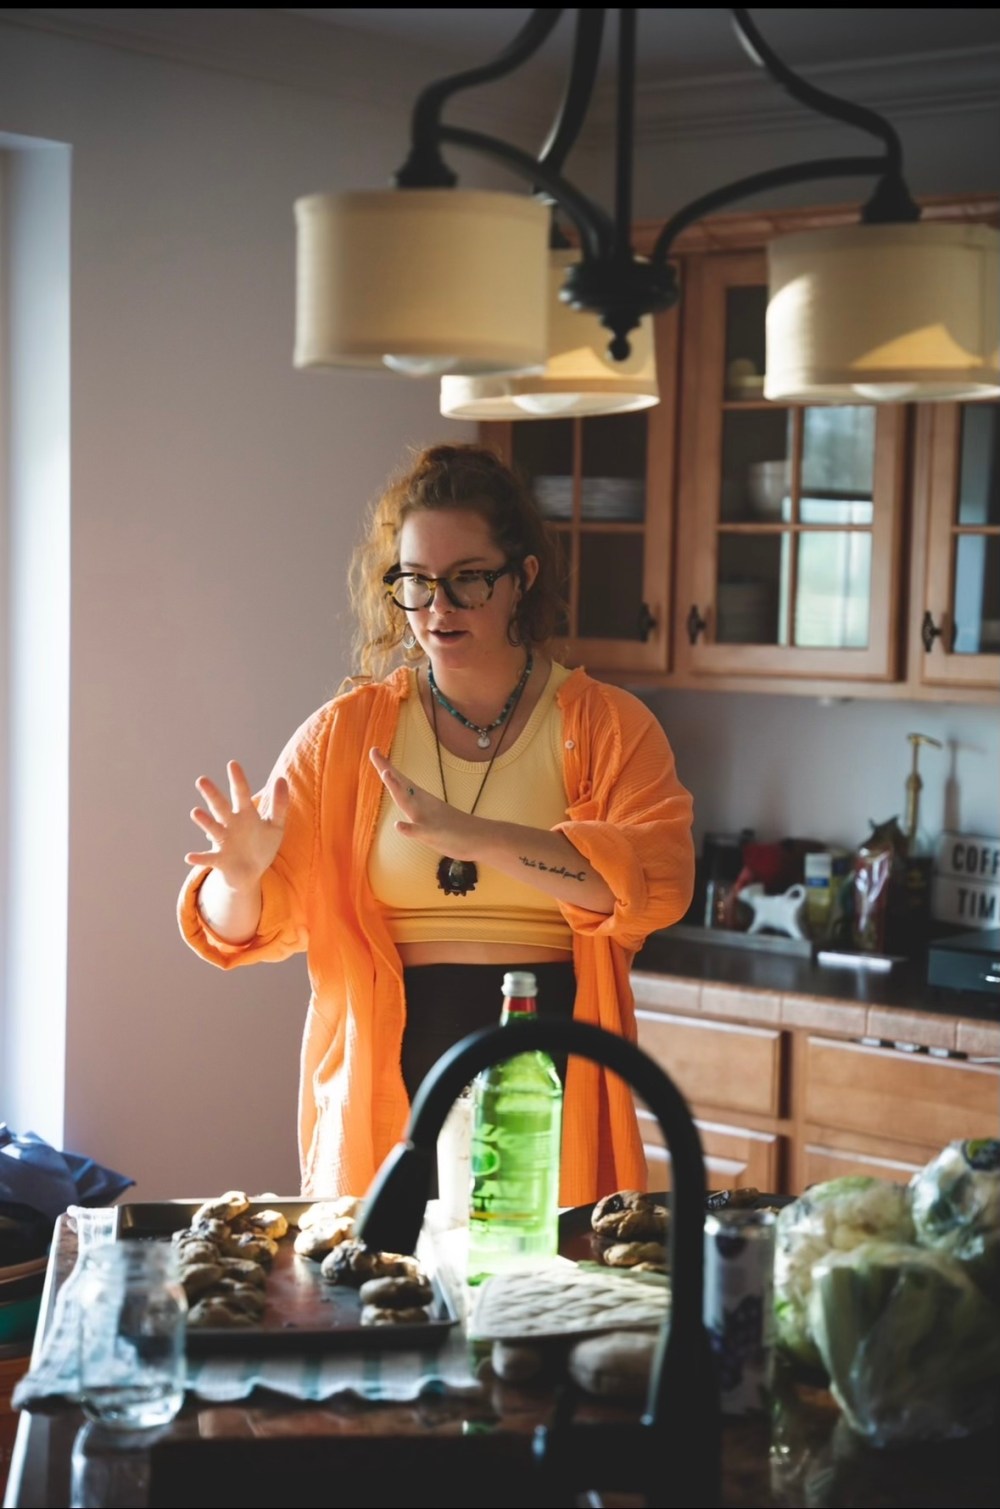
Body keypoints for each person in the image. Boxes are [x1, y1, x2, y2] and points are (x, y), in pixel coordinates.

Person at [178, 443, 694, 1206]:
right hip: (384, 1108)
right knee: (383, 1314)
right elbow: (241, 931)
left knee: (545, 1312)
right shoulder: (344, 735)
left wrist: (479, 836)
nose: (439, 608)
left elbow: (652, 887)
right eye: (417, 582)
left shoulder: (609, 726)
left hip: (551, 1091)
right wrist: (239, 878)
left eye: (468, 579)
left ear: (523, 577)